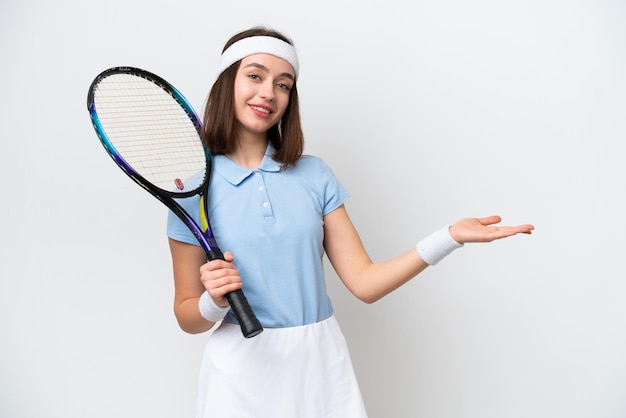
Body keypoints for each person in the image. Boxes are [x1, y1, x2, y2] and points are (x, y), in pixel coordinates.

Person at [167, 26, 534, 418]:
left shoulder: (314, 175)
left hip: (319, 362)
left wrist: (448, 237)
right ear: (228, 83)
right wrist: (213, 301)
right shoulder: (192, 193)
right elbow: (187, 315)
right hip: (239, 376)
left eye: (284, 84)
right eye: (254, 76)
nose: (268, 93)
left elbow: (366, 283)